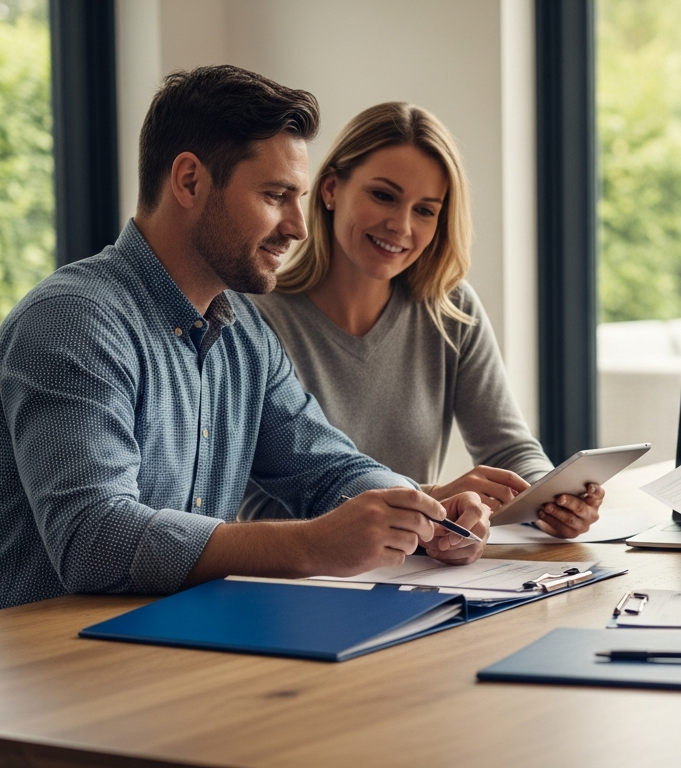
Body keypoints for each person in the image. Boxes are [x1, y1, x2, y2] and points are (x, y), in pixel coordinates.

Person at [0, 66, 490, 625]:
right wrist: (311, 545)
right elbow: (94, 539)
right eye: (276, 196)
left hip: (160, 640)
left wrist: (422, 512)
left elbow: (327, 467)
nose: (298, 227)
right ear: (190, 181)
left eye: (298, 198)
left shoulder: (244, 334)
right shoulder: (72, 322)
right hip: (21, 661)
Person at [238, 102, 602, 538]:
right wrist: (430, 498)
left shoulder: (450, 310)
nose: (401, 226)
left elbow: (508, 448)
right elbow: (264, 502)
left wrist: (551, 500)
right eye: (383, 196)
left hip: (418, 561)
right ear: (331, 189)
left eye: (425, 210)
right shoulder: (254, 318)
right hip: (306, 567)